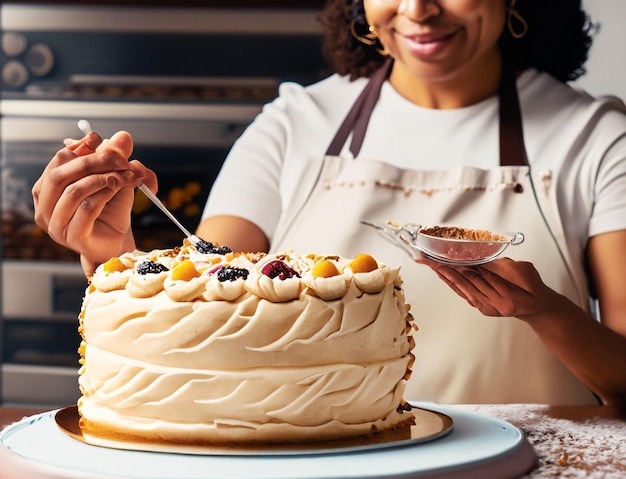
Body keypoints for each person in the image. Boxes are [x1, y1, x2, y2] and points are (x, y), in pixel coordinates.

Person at [32, 0, 626, 408]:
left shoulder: (595, 138)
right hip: (320, 461)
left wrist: (546, 311)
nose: (418, 9)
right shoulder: (293, 126)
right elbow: (208, 315)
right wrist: (117, 257)